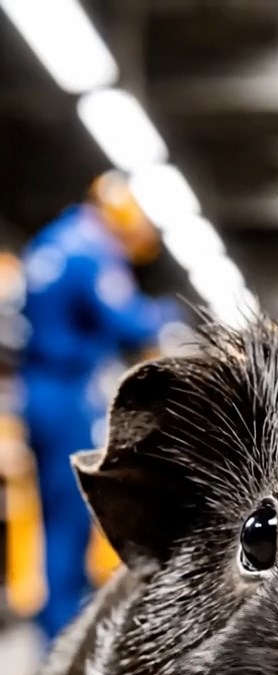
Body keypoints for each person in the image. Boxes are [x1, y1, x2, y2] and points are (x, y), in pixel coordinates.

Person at [18, 172, 177, 643]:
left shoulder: (54, 240)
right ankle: (63, 635)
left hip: (40, 387)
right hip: (67, 391)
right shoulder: (90, 249)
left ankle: (56, 625)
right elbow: (127, 321)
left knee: (54, 514)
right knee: (71, 512)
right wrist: (170, 314)